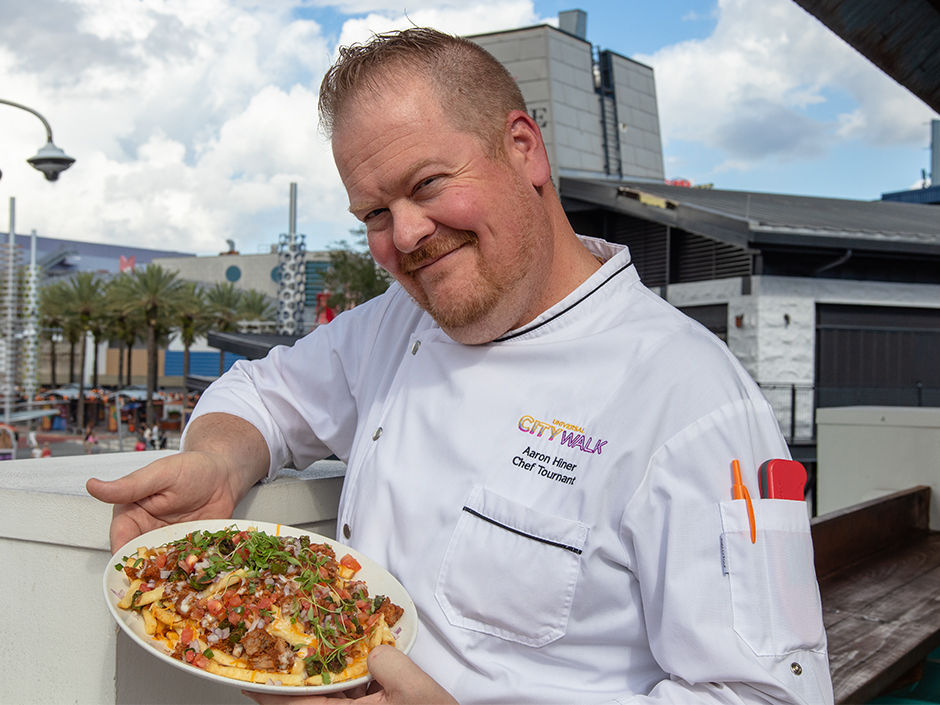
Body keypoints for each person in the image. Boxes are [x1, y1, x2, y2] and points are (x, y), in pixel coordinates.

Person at [87, 28, 832, 705]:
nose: (405, 234)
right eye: (375, 214)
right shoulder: (398, 320)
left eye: (428, 185)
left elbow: (769, 697)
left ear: (523, 149)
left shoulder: (693, 398)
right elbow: (263, 393)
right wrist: (219, 462)